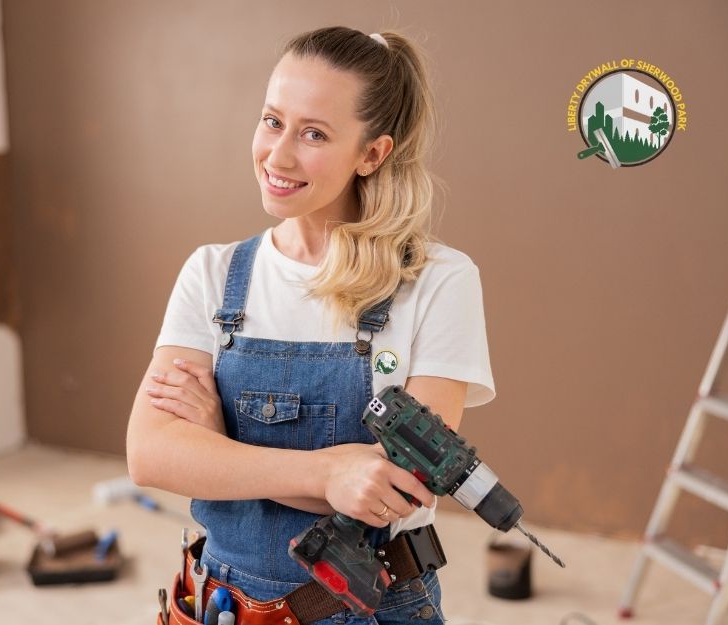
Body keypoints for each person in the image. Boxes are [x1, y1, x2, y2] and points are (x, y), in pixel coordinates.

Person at [126, 26, 495, 625]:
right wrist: (328, 473)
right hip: (221, 602)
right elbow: (149, 454)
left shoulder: (438, 281)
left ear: (372, 153)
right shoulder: (213, 274)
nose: (278, 155)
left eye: (314, 134)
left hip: (375, 605)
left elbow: (397, 488)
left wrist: (220, 451)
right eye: (273, 121)